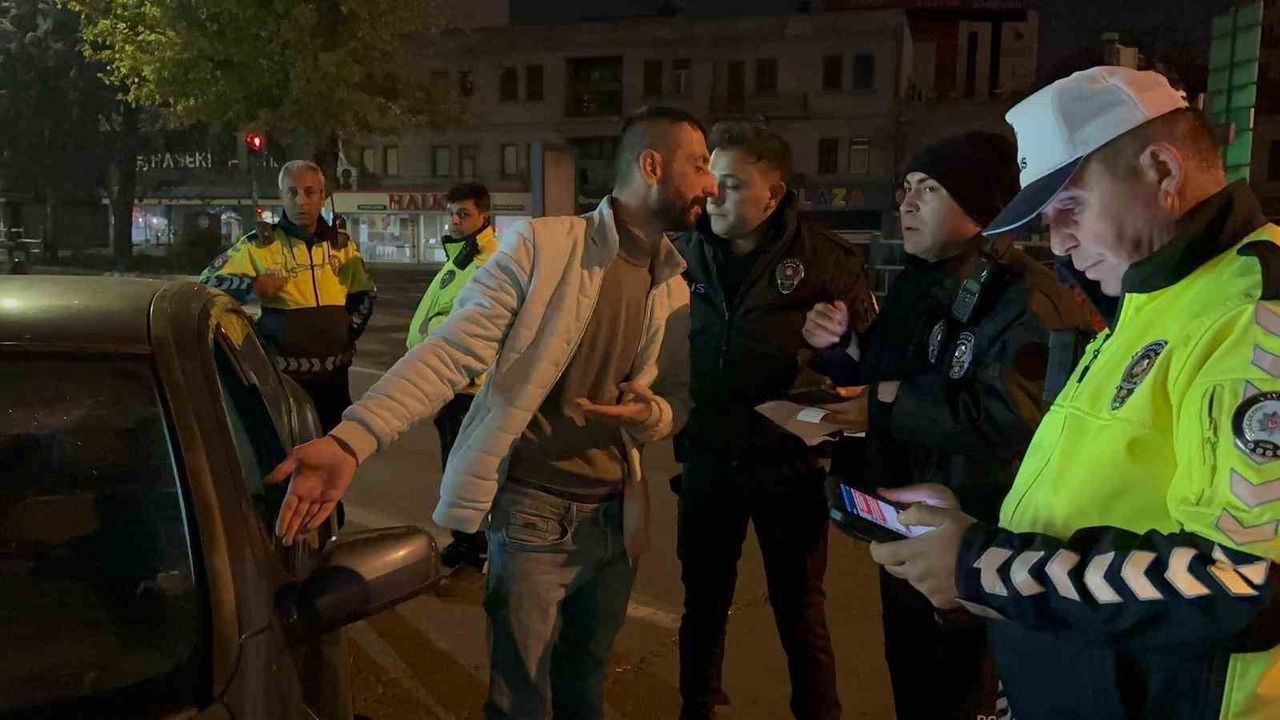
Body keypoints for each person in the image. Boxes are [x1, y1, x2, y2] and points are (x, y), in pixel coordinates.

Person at [266, 106, 717, 720]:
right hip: (536, 515)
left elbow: (676, 401)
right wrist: (351, 441)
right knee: (520, 699)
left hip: (618, 517)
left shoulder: (672, 282)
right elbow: (450, 351)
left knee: (586, 684)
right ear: (651, 166)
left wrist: (651, 415)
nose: (711, 185)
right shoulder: (543, 247)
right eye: (699, 166)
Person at [868, 65, 1280, 719]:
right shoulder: (1152, 292)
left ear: (1164, 174)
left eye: (1070, 208)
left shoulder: (1256, 314)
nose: (1057, 241)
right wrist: (980, 529)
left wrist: (986, 566)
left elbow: (1244, 582)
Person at [803, 131, 1094, 719]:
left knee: (964, 696)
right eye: (906, 189)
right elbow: (894, 377)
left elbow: (1013, 413)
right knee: (913, 688)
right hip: (906, 527)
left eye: (929, 190)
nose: (906, 204)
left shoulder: (1024, 298)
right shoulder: (918, 283)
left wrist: (882, 403)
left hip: (973, 540)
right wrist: (842, 351)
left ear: (980, 208)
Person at [672, 121, 875, 720]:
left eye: (732, 184)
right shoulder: (680, 255)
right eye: (712, 180)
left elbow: (874, 364)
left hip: (791, 467)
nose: (714, 195)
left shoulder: (827, 262)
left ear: (774, 192)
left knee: (799, 607)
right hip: (707, 458)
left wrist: (842, 357)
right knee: (702, 603)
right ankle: (697, 705)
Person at [198, 160, 376, 432]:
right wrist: (253, 286)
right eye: (292, 192)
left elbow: (365, 295)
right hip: (282, 380)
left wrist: (345, 334)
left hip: (334, 381)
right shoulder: (258, 245)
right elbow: (206, 284)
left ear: (322, 196)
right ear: (281, 196)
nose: (301, 201)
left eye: (310, 191)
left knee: (334, 462)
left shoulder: (343, 247)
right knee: (287, 461)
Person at [407, 182, 500, 569]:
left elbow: (487, 323)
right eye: (452, 214)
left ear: (485, 217)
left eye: (464, 214)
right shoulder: (460, 257)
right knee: (456, 462)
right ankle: (471, 539)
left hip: (468, 383)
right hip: (447, 379)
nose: (456, 221)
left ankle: (474, 542)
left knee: (466, 467)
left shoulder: (488, 262)